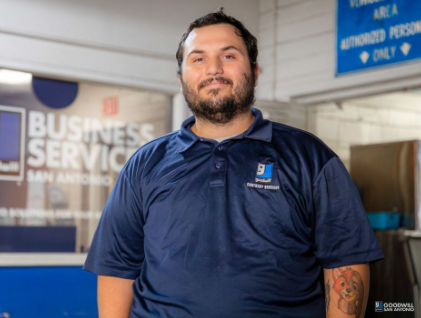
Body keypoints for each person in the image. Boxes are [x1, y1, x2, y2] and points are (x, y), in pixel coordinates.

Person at [84, 8, 385, 318]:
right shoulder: (144, 165)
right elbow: (117, 268)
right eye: (198, 59)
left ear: (254, 72)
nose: (213, 69)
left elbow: (345, 264)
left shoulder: (311, 157)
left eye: (229, 56)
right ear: (181, 78)